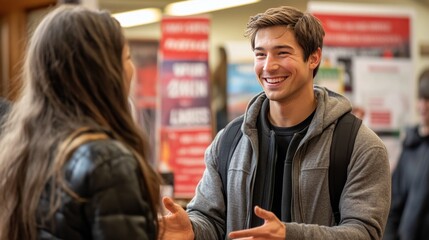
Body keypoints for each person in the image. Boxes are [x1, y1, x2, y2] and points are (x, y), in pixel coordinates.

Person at [160, 5, 391, 240]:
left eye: (282, 53)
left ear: (314, 57)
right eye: (260, 54)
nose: (268, 66)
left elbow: (364, 232)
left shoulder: (359, 146)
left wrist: (288, 235)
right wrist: (191, 230)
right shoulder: (229, 141)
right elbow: (210, 219)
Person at [0, 4, 161, 240]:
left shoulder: (24, 151)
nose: (132, 68)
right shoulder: (108, 162)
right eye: (127, 57)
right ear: (104, 73)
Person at [384, 68, 429, 240]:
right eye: (421, 98)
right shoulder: (410, 145)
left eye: (428, 99)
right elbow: (392, 206)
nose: (423, 106)